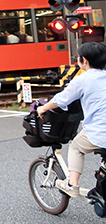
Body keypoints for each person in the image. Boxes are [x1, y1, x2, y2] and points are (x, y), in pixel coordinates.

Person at [37, 42, 106, 198]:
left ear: (85, 60)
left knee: (76, 147)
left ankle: (72, 184)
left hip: (100, 131)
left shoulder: (83, 79)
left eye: (78, 57)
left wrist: (43, 108)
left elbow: (62, 99)